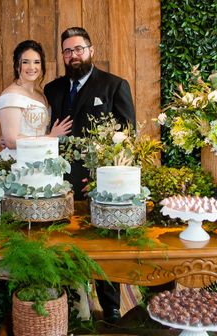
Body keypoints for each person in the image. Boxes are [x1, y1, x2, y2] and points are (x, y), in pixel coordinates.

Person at [44, 26, 136, 324]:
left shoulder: (114, 85)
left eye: (78, 49)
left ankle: (109, 306)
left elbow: (129, 135)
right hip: (57, 181)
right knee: (61, 243)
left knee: (105, 244)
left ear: (91, 50)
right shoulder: (53, 89)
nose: (73, 55)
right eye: (68, 51)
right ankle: (69, 305)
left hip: (99, 182)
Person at [0, 39, 72, 161]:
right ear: (16, 65)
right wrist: (51, 137)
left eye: (37, 62)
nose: (32, 67)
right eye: (25, 62)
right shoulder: (10, 96)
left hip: (42, 158)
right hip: (19, 161)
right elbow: (11, 141)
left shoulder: (41, 95)